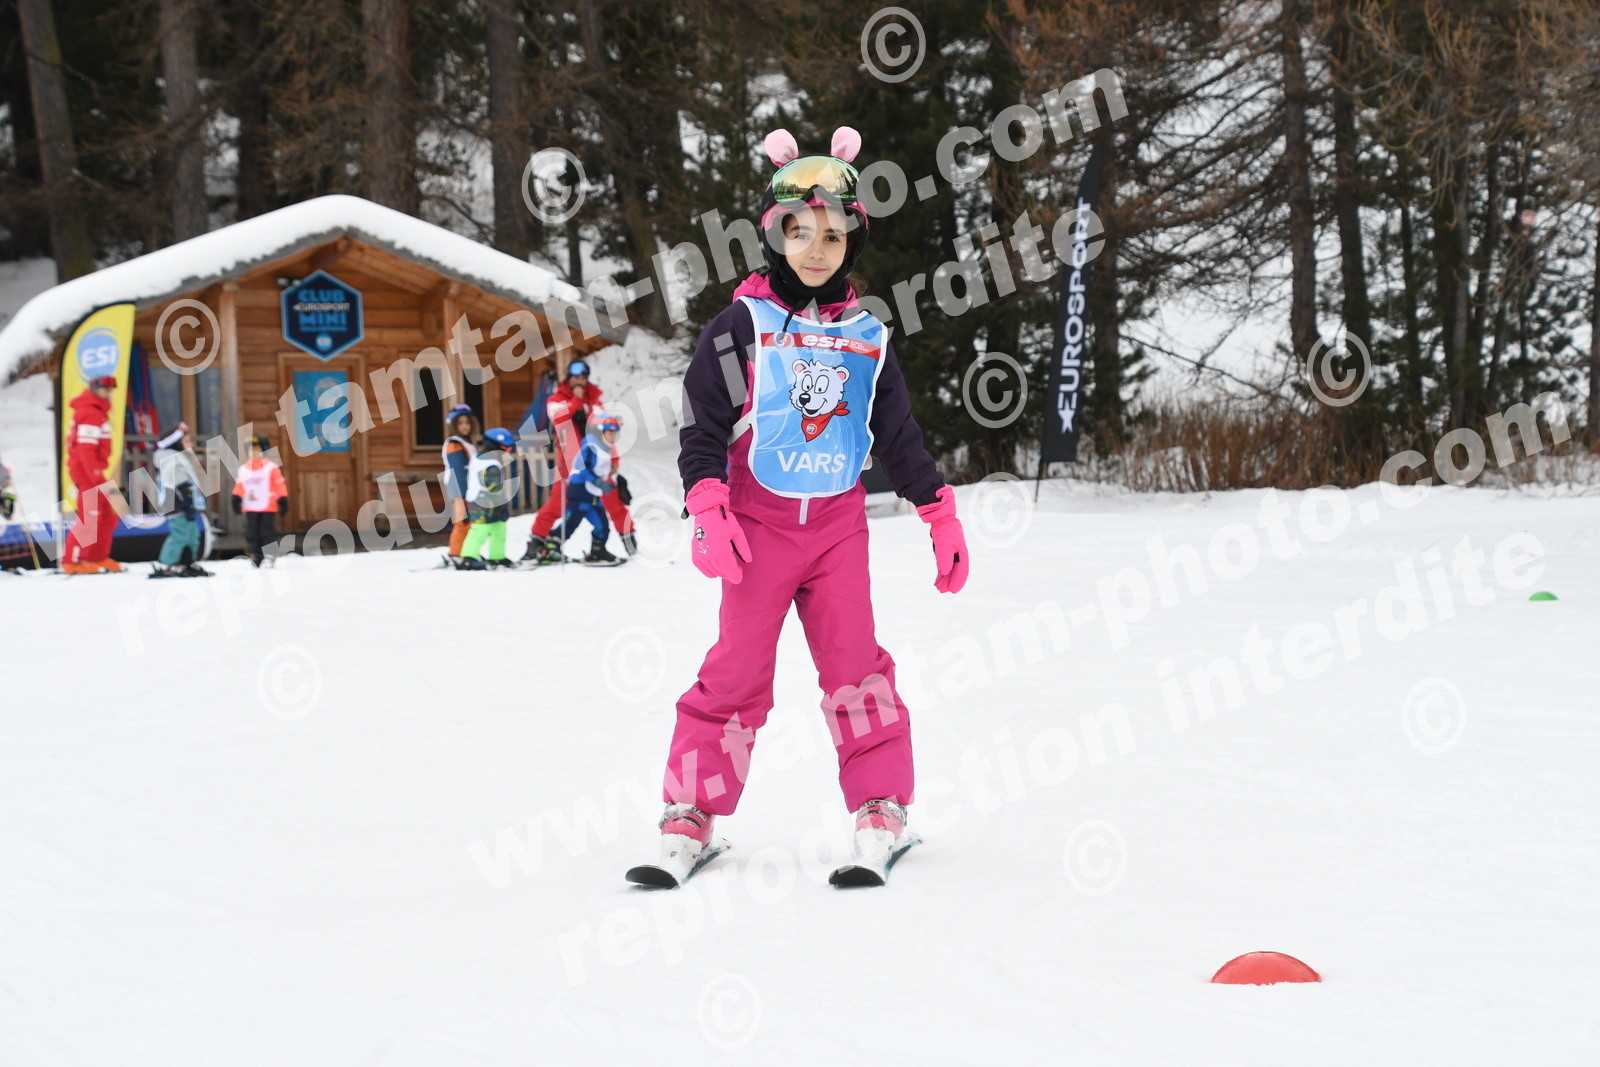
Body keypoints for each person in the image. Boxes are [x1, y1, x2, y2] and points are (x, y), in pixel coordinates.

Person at [634, 127, 970, 884]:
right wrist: (708, 505)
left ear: (851, 242)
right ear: (774, 234)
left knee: (856, 668)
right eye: (800, 232)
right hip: (759, 529)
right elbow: (703, 423)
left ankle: (881, 806)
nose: (817, 249)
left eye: (833, 234)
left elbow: (898, 434)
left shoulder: (867, 335)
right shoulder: (740, 327)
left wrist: (938, 512)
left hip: (838, 531)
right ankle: (692, 811)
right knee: (735, 672)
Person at [520, 360, 636, 562]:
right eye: (576, 377)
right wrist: (576, 400)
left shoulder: (595, 402)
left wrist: (614, 458)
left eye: (583, 377)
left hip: (597, 465)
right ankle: (536, 545)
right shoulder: (556, 399)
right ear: (568, 378)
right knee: (556, 505)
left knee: (614, 502)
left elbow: (606, 432)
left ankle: (629, 543)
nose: (579, 381)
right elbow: (558, 417)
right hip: (570, 467)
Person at [62, 375, 125, 574]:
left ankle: (97, 557)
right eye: (105, 389)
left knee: (107, 515)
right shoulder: (89, 412)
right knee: (90, 516)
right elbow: (85, 450)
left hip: (95, 470)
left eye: (111, 389)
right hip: (87, 471)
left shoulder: (98, 411)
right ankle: (73, 561)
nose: (109, 392)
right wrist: (94, 475)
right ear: (94, 389)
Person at [554, 413, 623, 565]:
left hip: (592, 495)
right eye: (611, 433)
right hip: (580, 492)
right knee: (571, 522)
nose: (613, 437)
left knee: (602, 525)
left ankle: (597, 552)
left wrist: (612, 479)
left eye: (615, 434)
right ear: (600, 431)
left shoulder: (604, 448)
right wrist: (598, 482)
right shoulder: (591, 446)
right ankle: (550, 548)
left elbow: (598, 469)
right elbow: (582, 468)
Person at [151, 422, 210, 578]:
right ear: (175, 443)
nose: (190, 444)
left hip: (185, 503)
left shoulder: (178, 457)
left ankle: (187, 562)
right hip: (177, 504)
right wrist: (187, 501)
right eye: (186, 441)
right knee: (180, 534)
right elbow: (180, 483)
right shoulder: (173, 459)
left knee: (192, 533)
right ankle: (167, 564)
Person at [457, 427, 518, 570]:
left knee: (499, 528)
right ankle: (468, 557)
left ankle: (497, 556)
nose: (507, 453)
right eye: (506, 449)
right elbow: (494, 487)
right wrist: (502, 504)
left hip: (486, 500)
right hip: (482, 502)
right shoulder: (491, 463)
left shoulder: (481, 457)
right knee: (479, 529)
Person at [232, 434, 288, 567]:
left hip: (267, 506)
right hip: (251, 506)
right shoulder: (243, 469)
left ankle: (269, 554)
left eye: (257, 449)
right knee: (252, 532)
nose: (254, 452)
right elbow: (240, 485)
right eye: (251, 450)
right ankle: (256, 554)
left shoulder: (271, 467)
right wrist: (236, 498)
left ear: (264, 450)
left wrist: (283, 499)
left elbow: (279, 484)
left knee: (266, 531)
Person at [441, 403, 480, 565]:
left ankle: (465, 552)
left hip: (466, 488)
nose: (464, 426)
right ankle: (455, 554)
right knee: (462, 522)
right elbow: (458, 470)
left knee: (468, 522)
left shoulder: (466, 442)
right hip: (459, 488)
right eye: (460, 423)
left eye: (467, 422)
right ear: (454, 426)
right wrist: (464, 495)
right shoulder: (454, 444)